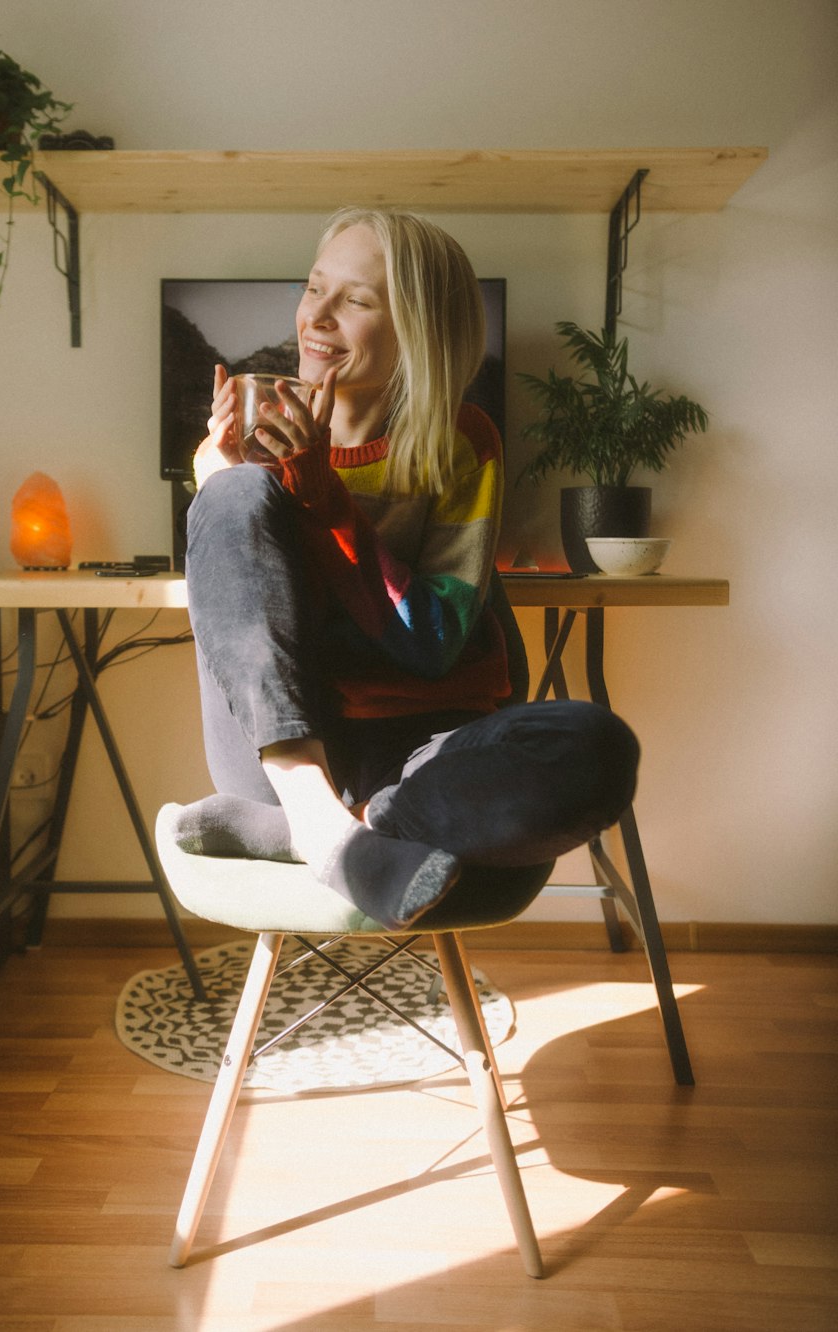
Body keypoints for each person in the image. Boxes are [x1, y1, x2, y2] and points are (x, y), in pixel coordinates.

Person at [169, 207, 640, 930]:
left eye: (354, 300)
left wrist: (322, 496)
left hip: (421, 753)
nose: (316, 317)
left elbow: (432, 644)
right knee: (237, 491)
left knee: (597, 749)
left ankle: (315, 832)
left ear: (418, 330)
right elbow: (245, 633)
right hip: (285, 754)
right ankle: (315, 821)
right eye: (313, 288)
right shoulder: (251, 453)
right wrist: (220, 491)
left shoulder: (459, 442)